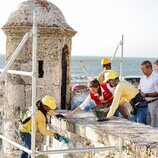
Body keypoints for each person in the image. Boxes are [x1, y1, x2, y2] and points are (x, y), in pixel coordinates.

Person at [138, 60, 158, 127]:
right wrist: (140, 92)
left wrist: (146, 94)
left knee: (154, 123)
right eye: (141, 69)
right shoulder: (142, 77)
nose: (142, 71)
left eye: (143, 69)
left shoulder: (156, 77)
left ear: (149, 68)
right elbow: (139, 88)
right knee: (147, 123)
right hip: (144, 104)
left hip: (154, 103)